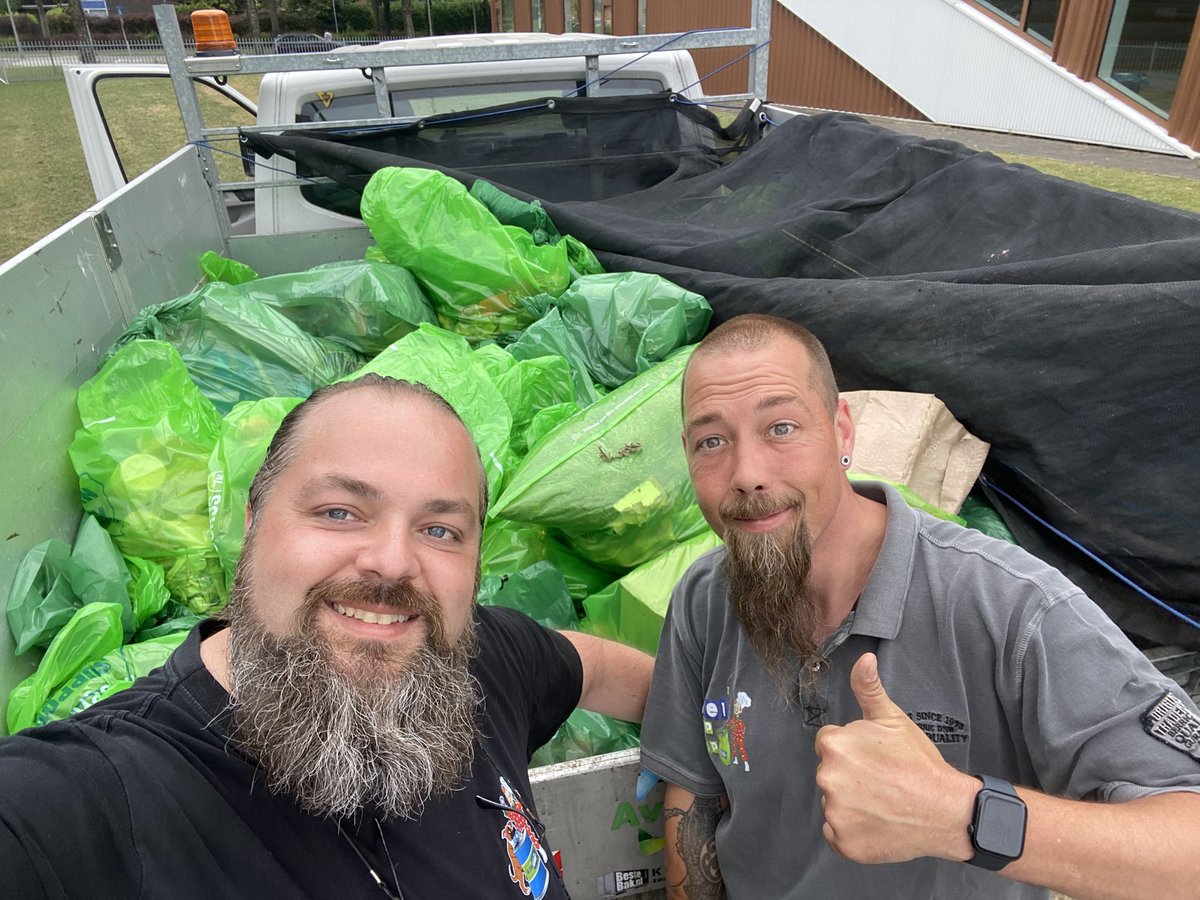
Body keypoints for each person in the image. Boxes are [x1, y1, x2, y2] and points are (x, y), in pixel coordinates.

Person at [0, 373, 654, 899]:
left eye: (440, 530)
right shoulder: (94, 804)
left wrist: (714, 750)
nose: (393, 562)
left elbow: (596, 669)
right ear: (253, 525)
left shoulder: (488, 662)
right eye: (340, 512)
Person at [640, 314, 1200, 900]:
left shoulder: (1010, 606)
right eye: (712, 441)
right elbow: (694, 803)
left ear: (842, 433)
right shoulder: (706, 599)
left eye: (781, 427)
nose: (747, 474)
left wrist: (962, 816)